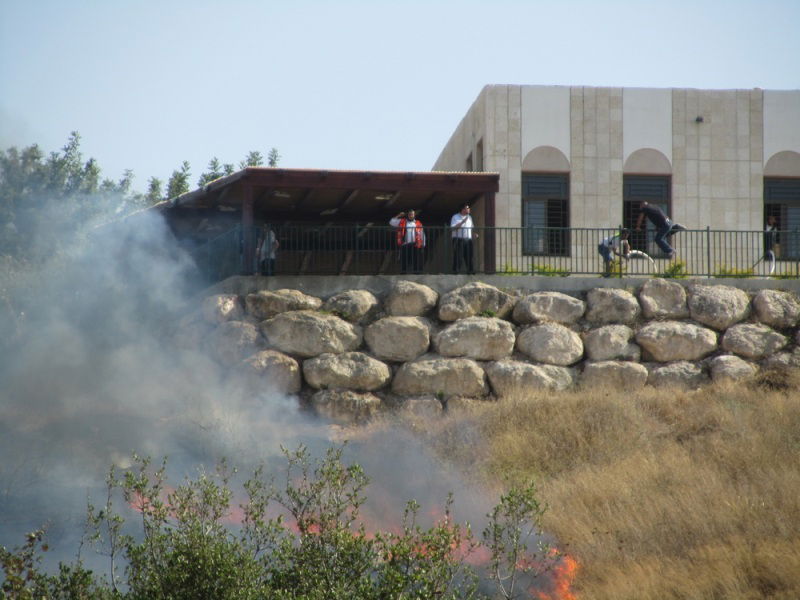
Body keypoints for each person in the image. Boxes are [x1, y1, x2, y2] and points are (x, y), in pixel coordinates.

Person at [389, 209, 425, 274]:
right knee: (404, 259)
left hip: (416, 244)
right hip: (405, 243)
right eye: (409, 214)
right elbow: (391, 222)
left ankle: (416, 273)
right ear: (407, 215)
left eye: (412, 214)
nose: (411, 216)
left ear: (414, 215)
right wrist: (399, 215)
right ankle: (403, 272)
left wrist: (423, 244)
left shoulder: (418, 223)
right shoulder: (402, 221)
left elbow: (422, 233)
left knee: (416, 259)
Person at [450, 203, 475, 274]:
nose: (469, 209)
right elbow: (453, 228)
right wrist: (462, 222)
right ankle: (455, 272)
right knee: (458, 256)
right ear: (463, 209)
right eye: (467, 208)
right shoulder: (455, 217)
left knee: (469, 256)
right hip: (458, 239)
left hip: (468, 240)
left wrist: (474, 235)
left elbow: (471, 228)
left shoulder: (470, 217)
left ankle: (470, 272)